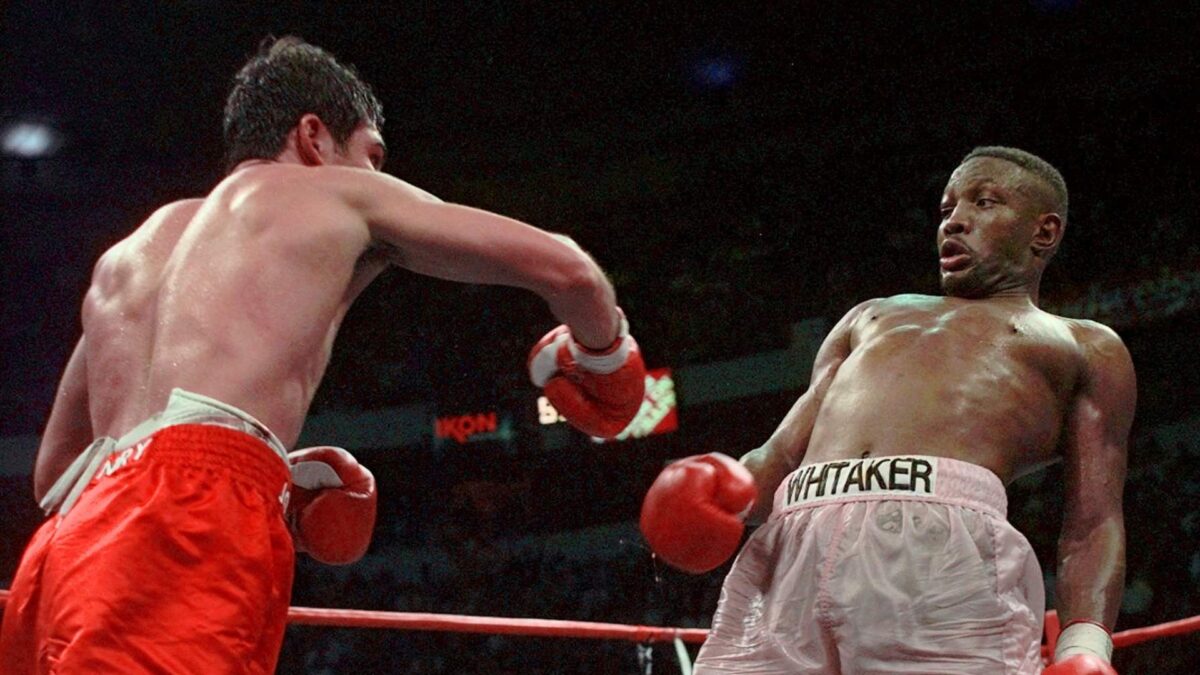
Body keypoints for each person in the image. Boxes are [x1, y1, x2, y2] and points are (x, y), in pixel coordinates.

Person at [0, 37, 645, 674]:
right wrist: (606, 358)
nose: (376, 176)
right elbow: (569, 271)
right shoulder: (336, 194)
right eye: (372, 155)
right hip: (184, 528)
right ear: (314, 136)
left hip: (63, 554)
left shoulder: (127, 255)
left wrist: (261, 462)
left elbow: (55, 474)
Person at [641, 147, 1134, 674]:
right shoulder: (871, 316)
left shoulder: (1081, 344)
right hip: (790, 548)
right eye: (946, 210)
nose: (956, 222)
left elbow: (1092, 521)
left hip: (939, 550)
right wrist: (720, 492)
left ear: (1044, 232)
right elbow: (783, 452)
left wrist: (1085, 648)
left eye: (984, 202)